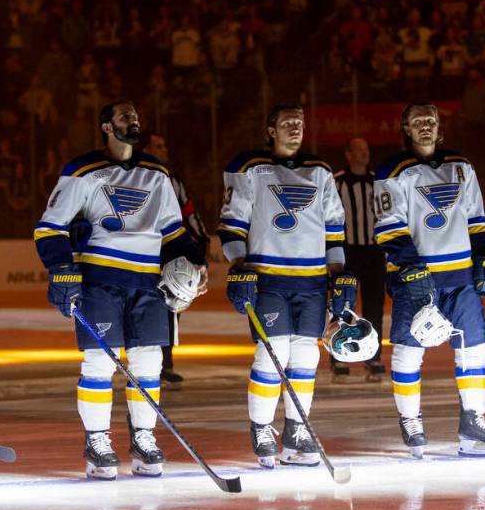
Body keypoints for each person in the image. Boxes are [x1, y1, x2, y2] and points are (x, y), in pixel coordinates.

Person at [34, 101, 207, 479]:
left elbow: (172, 231)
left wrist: (196, 260)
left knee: (149, 365)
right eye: (125, 115)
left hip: (147, 283)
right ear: (106, 127)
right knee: (99, 363)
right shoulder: (82, 171)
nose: (134, 119)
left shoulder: (157, 173)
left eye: (136, 115)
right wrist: (62, 267)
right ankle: (97, 442)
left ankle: (144, 440)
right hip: (99, 283)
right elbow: (50, 226)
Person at [373, 102, 485, 457]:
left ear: (440, 127)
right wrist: (410, 267)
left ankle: (473, 420)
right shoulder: (392, 170)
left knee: (475, 348)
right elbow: (389, 228)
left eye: (431, 121)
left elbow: (476, 220)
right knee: (408, 350)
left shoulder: (461, 166)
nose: (426, 127)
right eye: (418, 122)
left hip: (460, 277)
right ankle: (410, 419)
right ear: (405, 128)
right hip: (415, 278)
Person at [217, 104, 350, 468]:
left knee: (306, 355)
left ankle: (297, 429)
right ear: (270, 130)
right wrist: (238, 266)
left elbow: (334, 227)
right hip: (268, 278)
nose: (295, 128)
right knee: (271, 352)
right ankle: (262, 427)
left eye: (300, 123)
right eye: (287, 123)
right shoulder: (249, 167)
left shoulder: (320, 170)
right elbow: (231, 224)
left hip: (311, 281)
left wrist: (338, 275)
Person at [140, 131, 211, 390]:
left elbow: (188, 211)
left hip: (170, 251)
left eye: (165, 145)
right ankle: (143, 361)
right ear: (146, 149)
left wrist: (202, 237)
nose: (165, 150)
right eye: (159, 146)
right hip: (143, 253)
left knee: (172, 303)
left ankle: (165, 364)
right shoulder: (135, 176)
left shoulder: (173, 180)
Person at [330, 137, 386, 382]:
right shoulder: (337, 181)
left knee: (375, 307)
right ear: (348, 154)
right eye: (358, 150)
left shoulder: (378, 182)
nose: (363, 153)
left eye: (366, 149)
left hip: (374, 253)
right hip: (346, 252)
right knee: (342, 304)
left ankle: (373, 357)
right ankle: (338, 356)